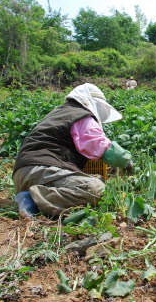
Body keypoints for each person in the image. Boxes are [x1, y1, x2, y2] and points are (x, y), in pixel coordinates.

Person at [12, 83, 133, 218]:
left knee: (91, 180)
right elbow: (99, 145)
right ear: (90, 102)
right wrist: (126, 161)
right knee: (98, 191)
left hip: (22, 174)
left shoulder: (60, 112)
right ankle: (33, 199)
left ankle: (31, 194)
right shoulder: (81, 116)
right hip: (42, 170)